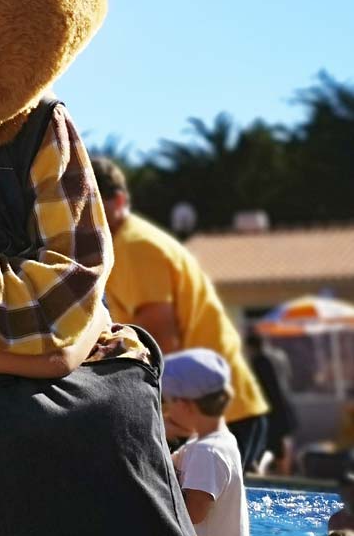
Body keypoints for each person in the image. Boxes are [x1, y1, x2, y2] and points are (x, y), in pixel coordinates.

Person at [94, 157, 271, 471]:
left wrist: (158, 417)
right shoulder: (131, 243)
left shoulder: (135, 248)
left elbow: (162, 344)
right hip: (215, 408)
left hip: (206, 413)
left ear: (118, 201)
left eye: (90, 203)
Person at [163, 348, 248, 536]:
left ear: (185, 405)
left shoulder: (207, 452)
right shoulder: (211, 441)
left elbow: (192, 515)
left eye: (169, 402)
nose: (167, 412)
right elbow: (163, 465)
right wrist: (161, 433)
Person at [245, 331, 298, 475]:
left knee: (273, 446)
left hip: (273, 409)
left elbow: (261, 388)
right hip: (287, 404)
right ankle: (286, 473)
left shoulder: (259, 360)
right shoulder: (280, 356)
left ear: (251, 346)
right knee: (285, 440)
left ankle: (281, 475)